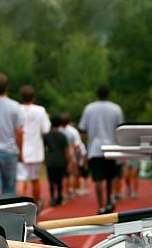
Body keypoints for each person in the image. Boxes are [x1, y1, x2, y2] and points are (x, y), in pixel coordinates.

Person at [78, 84, 124, 214]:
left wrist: (85, 145)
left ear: (97, 94)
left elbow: (82, 129)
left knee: (98, 179)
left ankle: (101, 205)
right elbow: (120, 130)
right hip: (112, 148)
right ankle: (110, 201)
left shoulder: (89, 109)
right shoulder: (116, 109)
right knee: (110, 177)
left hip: (95, 148)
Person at [16, 85, 50, 208]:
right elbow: (46, 129)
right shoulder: (40, 110)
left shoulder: (16, 109)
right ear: (34, 97)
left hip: (20, 150)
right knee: (35, 179)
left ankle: (20, 206)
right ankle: (35, 205)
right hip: (35, 150)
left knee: (20, 179)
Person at [44, 116, 69, 206]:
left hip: (50, 160)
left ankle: (52, 198)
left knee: (51, 180)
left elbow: (44, 147)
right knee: (59, 180)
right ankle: (59, 197)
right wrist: (67, 161)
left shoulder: (47, 135)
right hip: (60, 160)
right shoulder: (62, 136)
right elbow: (65, 150)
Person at [60, 113, 84, 200]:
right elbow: (77, 144)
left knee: (63, 175)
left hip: (60, 155)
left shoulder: (58, 130)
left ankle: (64, 192)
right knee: (71, 173)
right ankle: (71, 190)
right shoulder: (73, 131)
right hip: (71, 154)